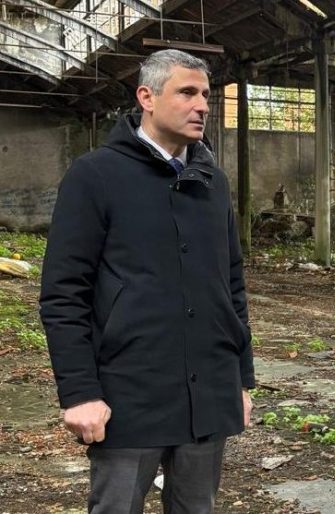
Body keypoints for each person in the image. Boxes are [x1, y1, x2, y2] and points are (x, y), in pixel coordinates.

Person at [39, 49, 254, 514]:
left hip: (208, 394)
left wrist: (240, 380)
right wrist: (80, 393)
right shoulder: (96, 175)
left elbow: (232, 286)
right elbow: (64, 294)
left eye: (206, 95)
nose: (202, 106)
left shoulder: (211, 182)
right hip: (129, 395)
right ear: (147, 98)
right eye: (187, 92)